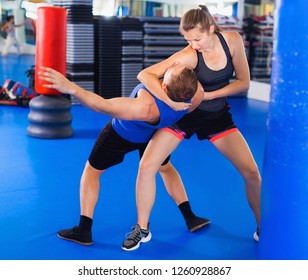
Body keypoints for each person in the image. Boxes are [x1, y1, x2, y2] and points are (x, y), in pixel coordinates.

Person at [121, 5, 261, 251]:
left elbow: (243, 82)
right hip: (183, 115)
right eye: (188, 39)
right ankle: (142, 229)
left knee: (251, 173)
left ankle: (263, 227)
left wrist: (208, 96)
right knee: (146, 166)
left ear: (211, 28)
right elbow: (145, 75)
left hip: (217, 116)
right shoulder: (189, 54)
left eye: (197, 38)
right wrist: (169, 101)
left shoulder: (233, 41)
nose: (194, 44)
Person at [38, 63, 210, 246]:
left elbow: (103, 106)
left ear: (165, 87)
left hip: (120, 134)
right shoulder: (195, 94)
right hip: (155, 136)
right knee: (166, 168)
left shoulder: (145, 106)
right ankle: (191, 218)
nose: (172, 65)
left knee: (91, 172)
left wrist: (72, 88)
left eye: (168, 73)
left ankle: (84, 229)